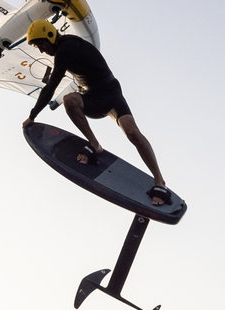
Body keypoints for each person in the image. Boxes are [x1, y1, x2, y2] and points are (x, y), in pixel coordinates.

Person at [21, 19, 171, 206]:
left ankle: (160, 181)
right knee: (70, 100)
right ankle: (94, 143)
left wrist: (32, 115)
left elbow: (51, 87)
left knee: (132, 132)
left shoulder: (66, 48)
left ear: (50, 36)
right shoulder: (66, 45)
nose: (41, 51)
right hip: (94, 97)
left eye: (40, 45)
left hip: (111, 95)